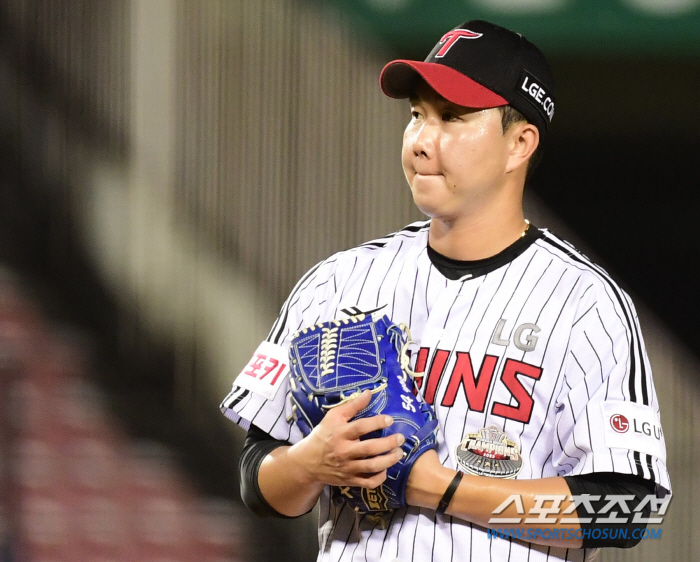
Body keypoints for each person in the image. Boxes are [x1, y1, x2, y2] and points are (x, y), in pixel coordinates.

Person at [221, 19, 670, 562]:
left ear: (519, 142)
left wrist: (441, 487)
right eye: (417, 115)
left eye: (453, 117)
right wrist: (310, 464)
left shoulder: (585, 305)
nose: (421, 141)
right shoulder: (337, 281)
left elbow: (627, 512)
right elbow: (257, 481)